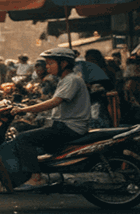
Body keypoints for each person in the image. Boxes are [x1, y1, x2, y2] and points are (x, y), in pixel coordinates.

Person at [10, 47, 91, 190]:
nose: (47, 67)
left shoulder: (71, 80)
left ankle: (36, 178)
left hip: (69, 127)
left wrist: (23, 110)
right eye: (46, 64)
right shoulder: (66, 79)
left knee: (23, 139)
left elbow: (54, 102)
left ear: (64, 64)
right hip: (63, 125)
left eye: (51, 63)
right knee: (29, 132)